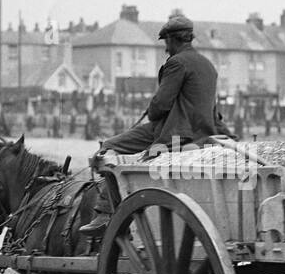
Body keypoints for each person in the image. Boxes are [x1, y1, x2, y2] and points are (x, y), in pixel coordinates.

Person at [77, 14, 231, 237]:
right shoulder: (208, 65)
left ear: (172, 40)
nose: (166, 49)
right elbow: (212, 108)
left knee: (108, 148)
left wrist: (152, 109)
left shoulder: (177, 63)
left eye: (166, 43)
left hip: (175, 132)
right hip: (205, 132)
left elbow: (161, 105)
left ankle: (105, 213)